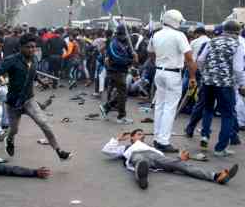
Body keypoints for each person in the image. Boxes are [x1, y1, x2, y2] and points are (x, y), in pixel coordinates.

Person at [0, 34, 72, 161]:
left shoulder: (35, 59)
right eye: (28, 47)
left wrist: (41, 82)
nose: (31, 50)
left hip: (29, 100)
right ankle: (9, 140)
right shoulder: (11, 60)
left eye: (33, 47)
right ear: (20, 47)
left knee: (44, 123)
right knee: (14, 130)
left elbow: (33, 73)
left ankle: (59, 151)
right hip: (13, 102)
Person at [101, 129, 239, 190]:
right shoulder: (127, 147)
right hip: (138, 156)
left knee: (182, 166)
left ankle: (216, 176)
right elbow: (106, 150)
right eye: (138, 134)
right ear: (131, 137)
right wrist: (118, 139)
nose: (142, 136)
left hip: (156, 158)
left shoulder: (152, 147)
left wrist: (179, 159)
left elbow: (165, 159)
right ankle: (141, 177)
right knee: (140, 161)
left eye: (143, 134)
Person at [147, 9, 197, 153]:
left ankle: (157, 138)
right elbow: (189, 58)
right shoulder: (179, 35)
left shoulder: (156, 34)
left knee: (160, 106)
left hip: (159, 72)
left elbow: (150, 52)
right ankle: (163, 141)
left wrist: (159, 61)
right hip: (173, 74)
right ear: (175, 21)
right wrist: (193, 77)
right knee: (169, 108)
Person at [197, 20, 245, 157]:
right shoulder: (238, 44)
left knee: (208, 109)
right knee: (227, 115)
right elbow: (237, 68)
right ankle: (220, 148)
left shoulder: (212, 41)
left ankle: (204, 136)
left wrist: (205, 73)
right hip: (225, 84)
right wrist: (241, 83)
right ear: (237, 32)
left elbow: (200, 60)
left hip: (208, 82)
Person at [100, 25, 135, 124]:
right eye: (126, 34)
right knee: (122, 94)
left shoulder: (124, 43)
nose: (127, 36)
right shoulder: (114, 43)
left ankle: (106, 107)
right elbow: (117, 58)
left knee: (122, 94)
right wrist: (131, 60)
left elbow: (128, 53)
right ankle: (121, 116)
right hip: (115, 71)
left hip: (122, 71)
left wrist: (133, 54)